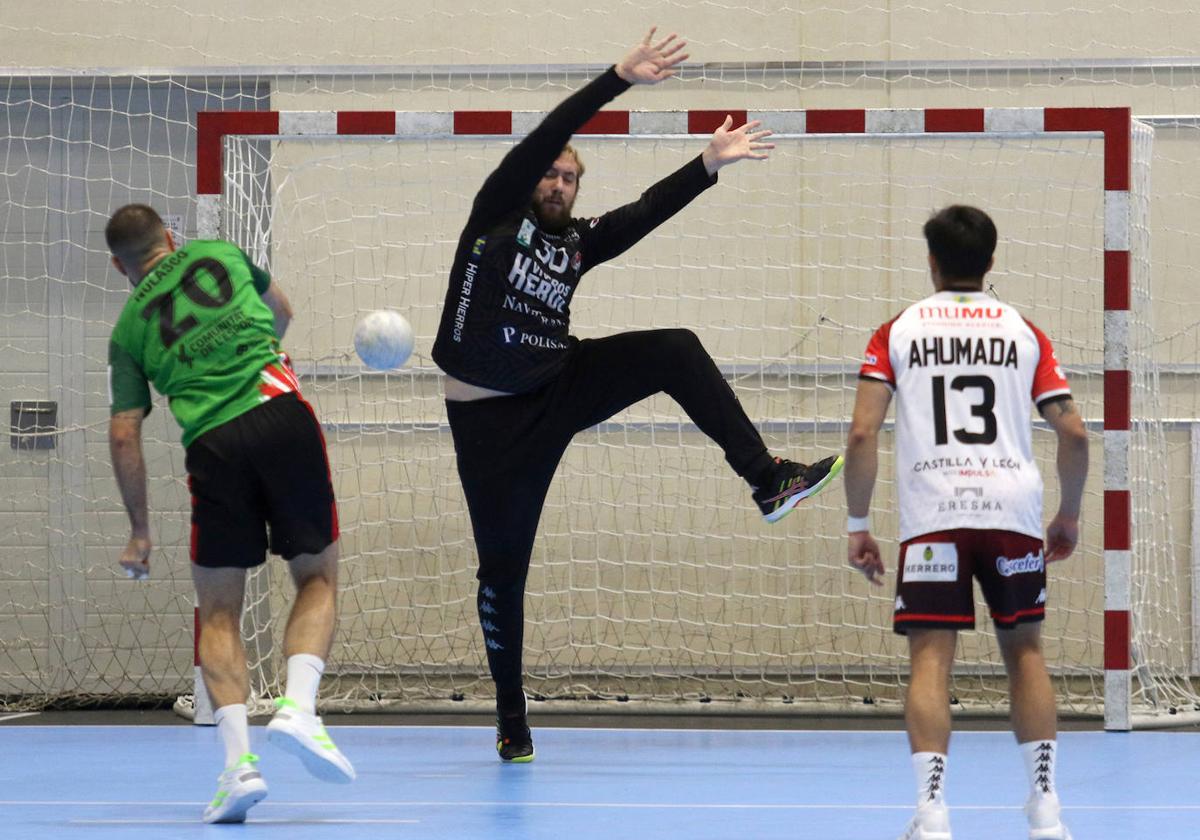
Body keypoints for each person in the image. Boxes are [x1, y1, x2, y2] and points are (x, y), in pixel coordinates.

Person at [431, 27, 843, 764]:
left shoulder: (575, 243)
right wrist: (616, 78)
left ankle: (767, 479)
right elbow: (551, 132)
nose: (558, 183)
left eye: (570, 178)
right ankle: (511, 719)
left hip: (558, 383)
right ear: (528, 179)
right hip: (490, 426)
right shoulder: (494, 217)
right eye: (549, 174)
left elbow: (640, 216)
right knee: (503, 571)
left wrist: (707, 164)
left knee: (673, 348)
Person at [105, 204, 356, 824]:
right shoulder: (218, 253)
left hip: (213, 447)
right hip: (280, 415)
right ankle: (298, 707)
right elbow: (283, 311)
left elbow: (122, 433)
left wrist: (139, 530)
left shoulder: (129, 330)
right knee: (317, 577)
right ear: (169, 238)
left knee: (218, 610)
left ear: (120, 266)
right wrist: (256, 352)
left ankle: (239, 768)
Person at [843, 205, 1086, 840]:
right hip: (1012, 513)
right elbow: (1075, 433)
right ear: (991, 262)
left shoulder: (895, 331)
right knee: (1026, 653)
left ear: (931, 261)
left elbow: (863, 432)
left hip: (934, 517)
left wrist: (858, 522)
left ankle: (932, 815)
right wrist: (1068, 514)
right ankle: (1046, 811)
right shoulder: (1024, 331)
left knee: (930, 660)